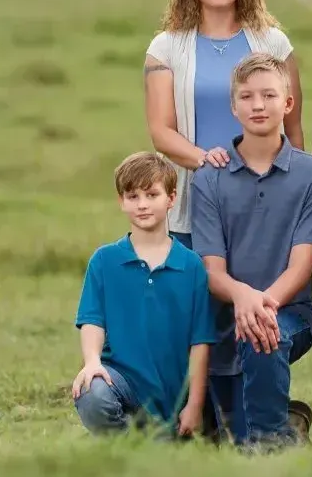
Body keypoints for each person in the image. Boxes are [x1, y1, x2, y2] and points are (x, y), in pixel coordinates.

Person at [189, 52, 312, 451]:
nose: (258, 105)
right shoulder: (209, 177)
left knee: (262, 338)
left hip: (289, 313)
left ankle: (270, 448)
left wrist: (263, 305)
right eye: (248, 97)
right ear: (233, 107)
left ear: (287, 104)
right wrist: (243, 297)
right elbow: (211, 271)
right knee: (227, 435)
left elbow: (302, 264)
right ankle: (286, 426)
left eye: (269, 95)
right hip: (223, 317)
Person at [145, 0, 305, 252]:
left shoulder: (273, 43)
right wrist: (209, 163)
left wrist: (296, 191)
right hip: (192, 205)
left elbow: (293, 128)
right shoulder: (166, 48)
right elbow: (161, 131)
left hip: (264, 203)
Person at [71, 151, 217, 440]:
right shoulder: (104, 260)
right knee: (92, 391)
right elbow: (92, 321)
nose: (142, 205)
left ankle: (136, 442)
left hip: (169, 396)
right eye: (133, 196)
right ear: (121, 202)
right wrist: (92, 361)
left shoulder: (192, 266)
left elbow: (200, 344)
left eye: (152, 195)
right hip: (120, 382)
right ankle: (131, 447)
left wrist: (195, 405)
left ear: (171, 199)